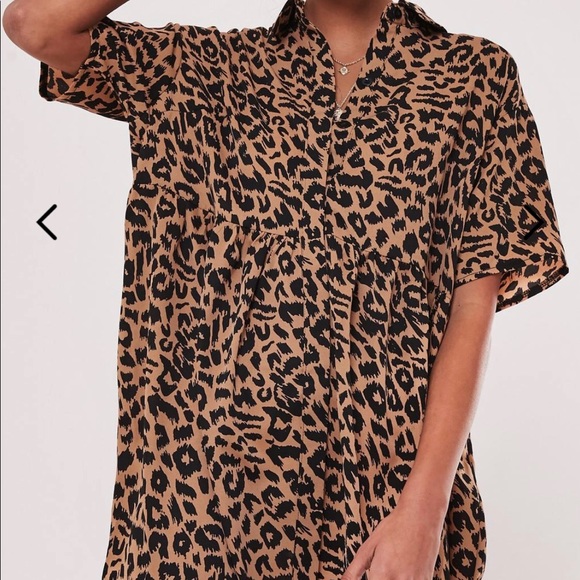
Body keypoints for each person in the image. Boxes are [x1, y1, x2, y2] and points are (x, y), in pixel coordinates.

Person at [3, 0, 570, 578]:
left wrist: (423, 510)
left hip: (381, 501)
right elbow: (36, 25)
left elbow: (472, 306)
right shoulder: (203, 70)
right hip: (203, 513)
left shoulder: (474, 78)